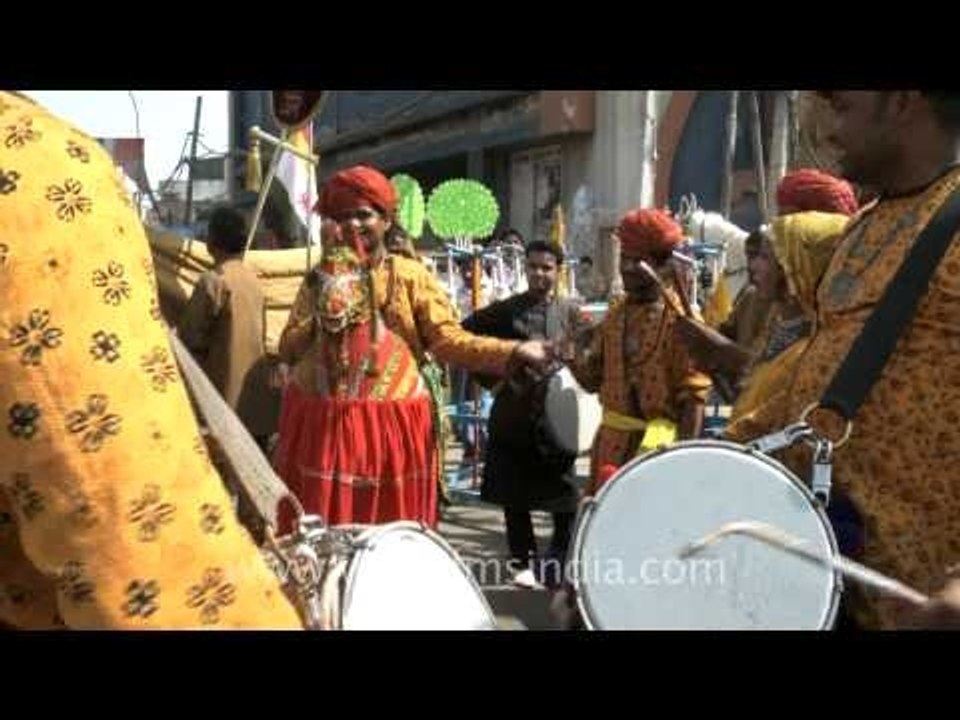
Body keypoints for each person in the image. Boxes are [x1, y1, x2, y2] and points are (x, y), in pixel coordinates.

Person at [0, 90, 301, 629]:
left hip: (222, 396)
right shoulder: (32, 169)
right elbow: (146, 559)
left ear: (211, 243)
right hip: (251, 403)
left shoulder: (211, 282)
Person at [274, 165, 551, 530]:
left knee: (389, 532)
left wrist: (513, 351)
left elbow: (448, 341)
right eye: (341, 216)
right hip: (321, 424)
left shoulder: (409, 276)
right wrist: (326, 310)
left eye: (363, 215)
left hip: (392, 426)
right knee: (322, 529)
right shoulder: (317, 279)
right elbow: (288, 347)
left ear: (386, 220)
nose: (353, 224)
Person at [774, 91, 960, 630]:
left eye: (842, 107)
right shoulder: (863, 226)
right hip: (830, 588)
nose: (829, 130)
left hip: (919, 604)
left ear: (902, 103)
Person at [461, 240, 584, 588]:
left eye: (546, 268)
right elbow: (463, 339)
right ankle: (523, 564)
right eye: (533, 267)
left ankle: (559, 560)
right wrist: (494, 381)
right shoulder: (504, 311)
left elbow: (589, 353)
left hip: (558, 419)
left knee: (564, 496)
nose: (539, 274)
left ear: (558, 271)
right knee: (514, 497)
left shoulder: (571, 313)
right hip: (514, 414)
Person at [570, 208, 712, 494]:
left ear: (662, 265)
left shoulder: (683, 322)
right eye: (624, 258)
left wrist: (683, 469)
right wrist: (572, 353)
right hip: (609, 451)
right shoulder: (614, 316)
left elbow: (694, 402)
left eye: (637, 260)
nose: (627, 268)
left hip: (658, 456)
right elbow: (592, 381)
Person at [177, 206, 274, 451]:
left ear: (212, 241)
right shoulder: (254, 281)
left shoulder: (214, 281)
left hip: (223, 401)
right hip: (257, 402)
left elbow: (190, 338)